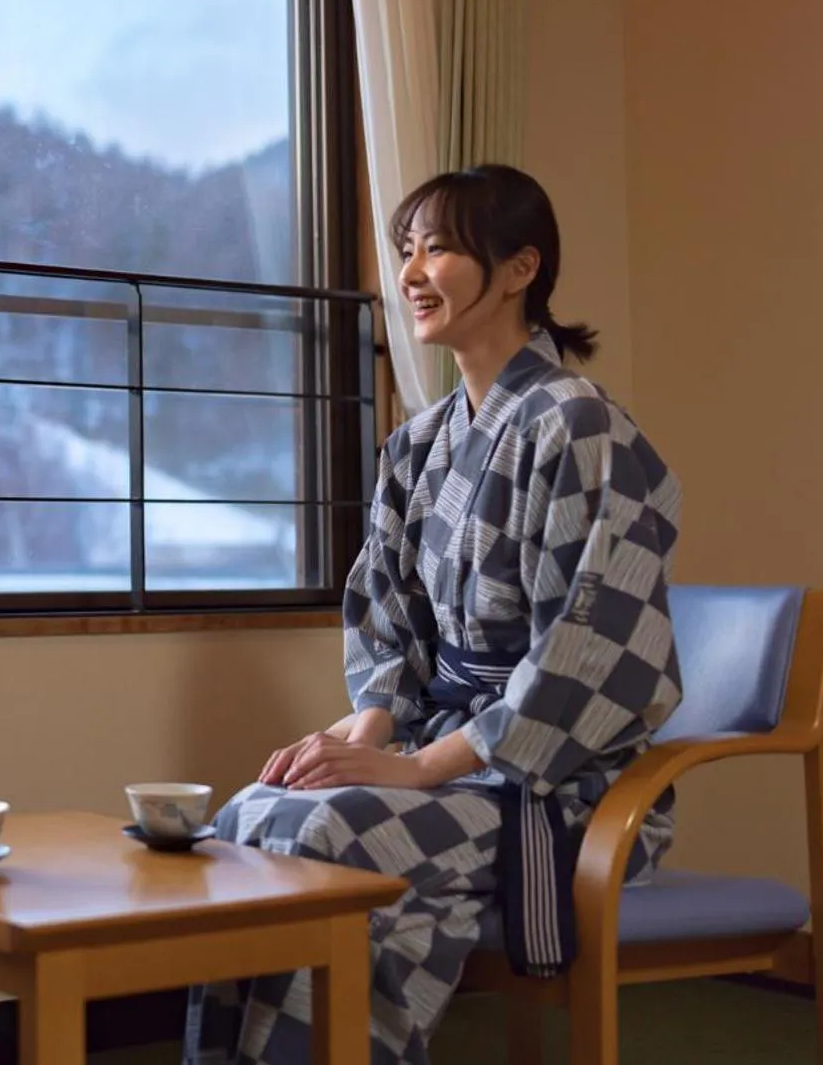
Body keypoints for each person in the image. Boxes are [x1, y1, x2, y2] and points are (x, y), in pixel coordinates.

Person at [186, 164, 682, 1065]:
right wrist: (367, 734)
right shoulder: (418, 442)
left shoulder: (578, 424)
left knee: (330, 829)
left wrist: (412, 772)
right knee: (250, 815)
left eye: (440, 248)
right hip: (440, 752)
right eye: (404, 250)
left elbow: (594, 647)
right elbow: (385, 624)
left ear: (520, 267)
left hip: (560, 786)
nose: (411, 272)